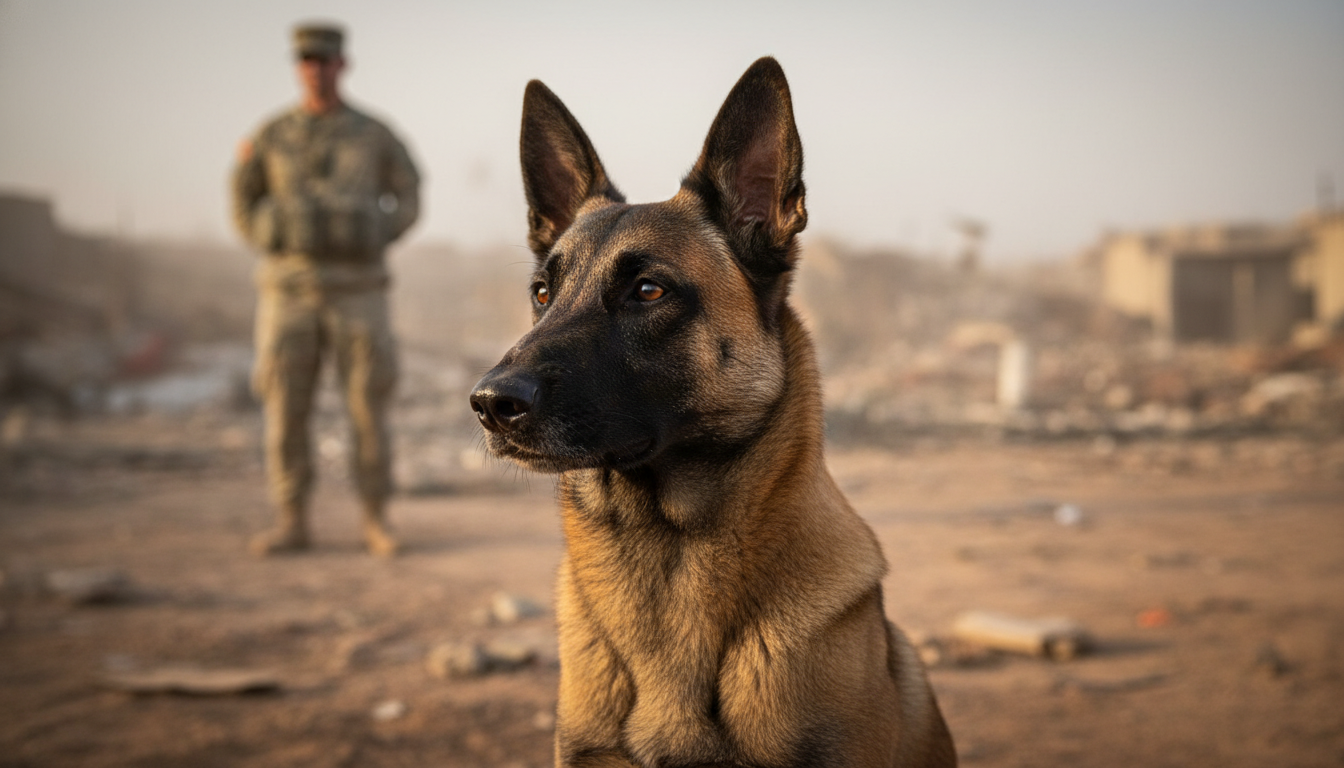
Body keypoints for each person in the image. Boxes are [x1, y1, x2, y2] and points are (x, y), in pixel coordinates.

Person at [231, 23, 420, 557]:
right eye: (307, 60)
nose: (315, 69)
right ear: (299, 68)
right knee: (284, 410)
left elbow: (410, 193)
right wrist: (268, 231)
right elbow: (242, 198)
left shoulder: (375, 135)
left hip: (359, 290)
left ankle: (375, 519)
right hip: (288, 291)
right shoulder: (271, 135)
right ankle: (292, 520)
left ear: (342, 65)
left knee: (368, 409)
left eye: (324, 60)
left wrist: (378, 230)